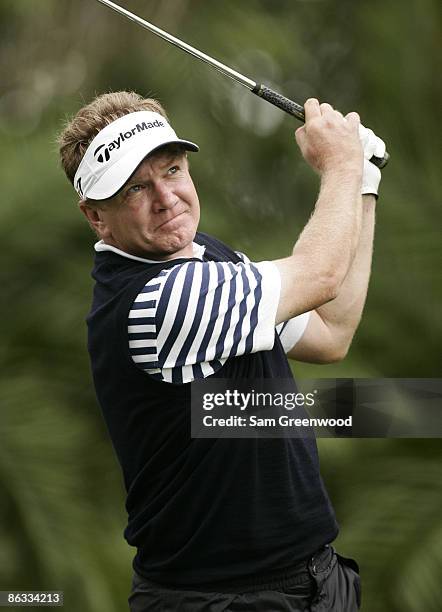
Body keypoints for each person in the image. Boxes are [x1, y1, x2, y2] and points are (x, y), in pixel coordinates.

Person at [57, 90, 385, 611]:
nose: (165, 198)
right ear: (97, 218)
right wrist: (341, 164)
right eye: (135, 189)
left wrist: (363, 184)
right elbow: (321, 275)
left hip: (313, 580)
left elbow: (330, 331)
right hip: (222, 599)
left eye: (172, 170)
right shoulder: (158, 302)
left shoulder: (210, 257)